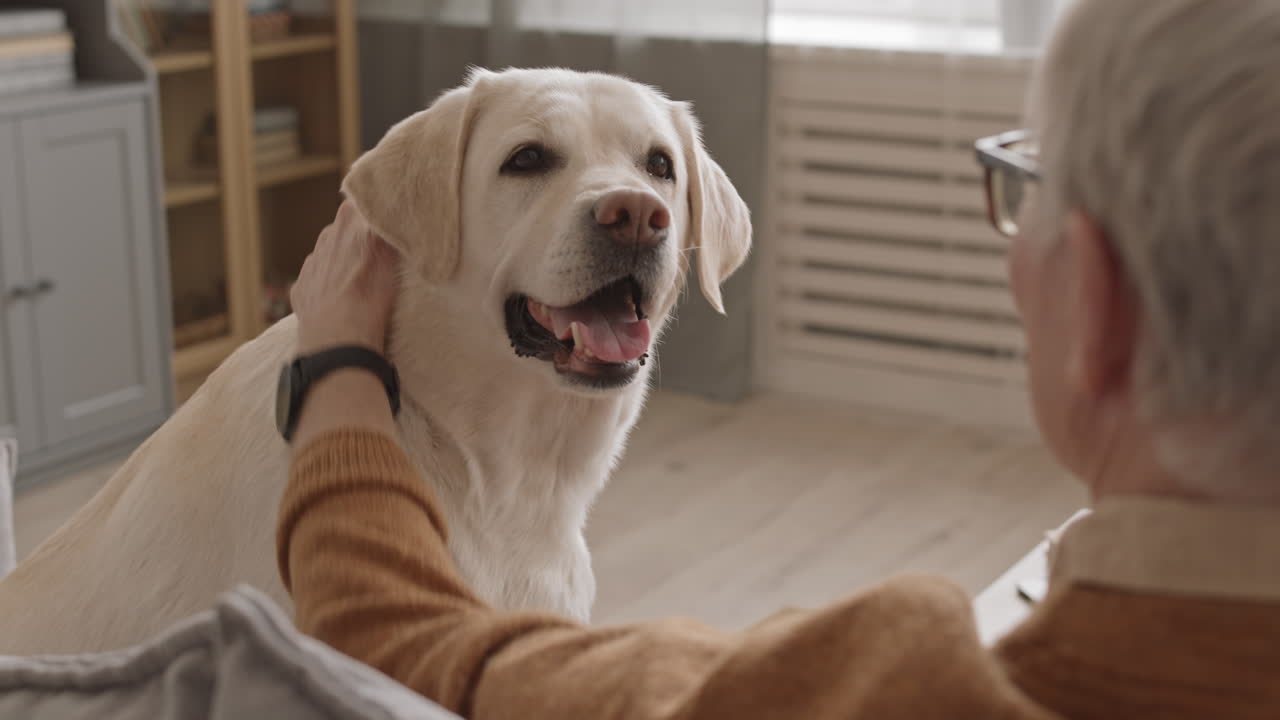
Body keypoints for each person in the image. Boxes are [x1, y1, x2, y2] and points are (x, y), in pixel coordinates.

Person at [277, 0, 1280, 716]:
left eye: (1025, 198)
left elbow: (404, 661)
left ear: (1095, 302)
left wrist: (334, 373)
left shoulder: (887, 688)